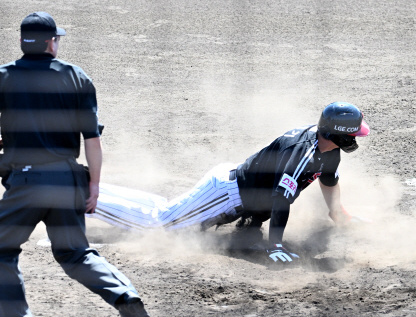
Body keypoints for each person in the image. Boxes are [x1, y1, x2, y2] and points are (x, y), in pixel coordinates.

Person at [89, 102, 371, 264]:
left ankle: (91, 189)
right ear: (339, 133)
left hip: (236, 190)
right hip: (225, 194)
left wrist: (338, 215)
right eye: (354, 134)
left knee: (163, 211)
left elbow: (329, 181)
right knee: (159, 224)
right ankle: (81, 196)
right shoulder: (302, 154)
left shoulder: (328, 150)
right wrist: (276, 246)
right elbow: (280, 200)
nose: (356, 138)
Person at [0, 12, 150, 317]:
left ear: (21, 41)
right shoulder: (76, 77)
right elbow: (91, 141)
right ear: (51, 42)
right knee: (75, 253)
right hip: (66, 182)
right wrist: (93, 186)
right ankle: (125, 297)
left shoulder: (4, 77)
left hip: (25, 185)